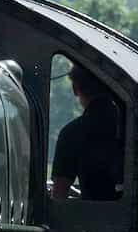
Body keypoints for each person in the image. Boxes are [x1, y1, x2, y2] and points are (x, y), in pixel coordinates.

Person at [50, 66, 124, 201]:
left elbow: (59, 193)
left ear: (75, 88)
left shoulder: (71, 133)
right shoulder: (129, 126)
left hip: (91, 219)